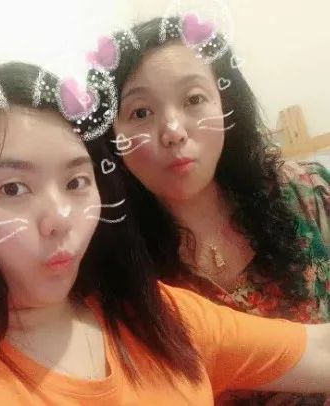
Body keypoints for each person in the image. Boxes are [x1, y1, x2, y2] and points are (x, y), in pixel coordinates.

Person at [0, 60, 330, 405]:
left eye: (76, 182)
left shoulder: (156, 316)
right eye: (13, 188)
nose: (61, 217)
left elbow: (317, 349)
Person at [100, 15, 330, 405]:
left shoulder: (307, 193)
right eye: (140, 112)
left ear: (226, 105)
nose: (173, 131)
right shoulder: (116, 271)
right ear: (112, 137)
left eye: (193, 99)